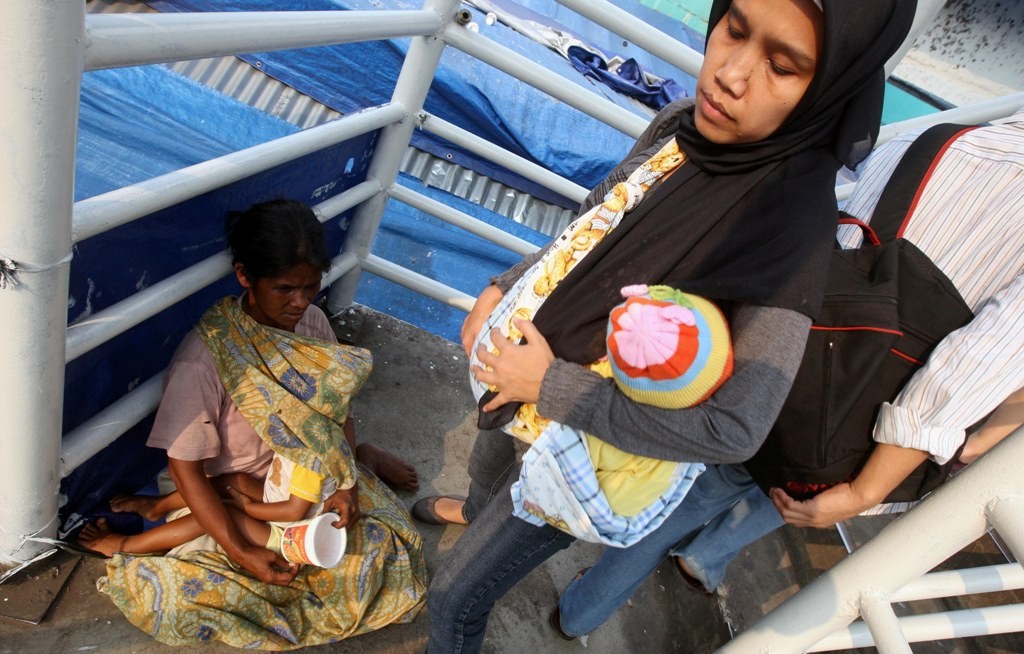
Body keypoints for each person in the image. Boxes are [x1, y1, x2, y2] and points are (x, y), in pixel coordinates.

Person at [417, 0, 918, 650]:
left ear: (829, 89)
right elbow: (596, 222)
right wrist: (504, 284)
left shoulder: (790, 233)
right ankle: (478, 512)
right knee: (487, 466)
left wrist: (552, 386)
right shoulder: (680, 127)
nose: (730, 75)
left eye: (782, 66)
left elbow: (734, 429)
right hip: (515, 374)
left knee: (454, 597)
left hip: (587, 455)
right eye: (734, 29)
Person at [661, 106, 1024, 595]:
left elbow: (843, 242)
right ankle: (705, 558)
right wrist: (866, 491)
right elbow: (975, 361)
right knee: (801, 496)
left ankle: (589, 600)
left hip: (795, 352)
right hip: (877, 413)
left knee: (718, 478)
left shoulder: (930, 136)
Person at [93, 199, 429, 649]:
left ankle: (361, 462)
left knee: (381, 554)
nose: (300, 302)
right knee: (176, 599)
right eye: (284, 288)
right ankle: (155, 528)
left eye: (311, 286)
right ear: (244, 276)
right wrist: (241, 551)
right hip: (225, 487)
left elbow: (336, 416)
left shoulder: (312, 323)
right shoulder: (205, 360)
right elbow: (185, 470)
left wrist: (347, 487)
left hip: (304, 471)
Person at [511, 284, 732, 547]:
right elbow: (621, 506)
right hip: (571, 495)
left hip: (529, 428)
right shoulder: (669, 450)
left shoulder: (602, 370)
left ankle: (476, 508)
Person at [78, 449, 335, 558]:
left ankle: (126, 545)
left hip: (293, 533)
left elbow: (293, 512)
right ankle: (157, 507)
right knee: (235, 482)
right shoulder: (320, 427)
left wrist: (246, 507)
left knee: (219, 513)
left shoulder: (310, 455)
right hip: (282, 500)